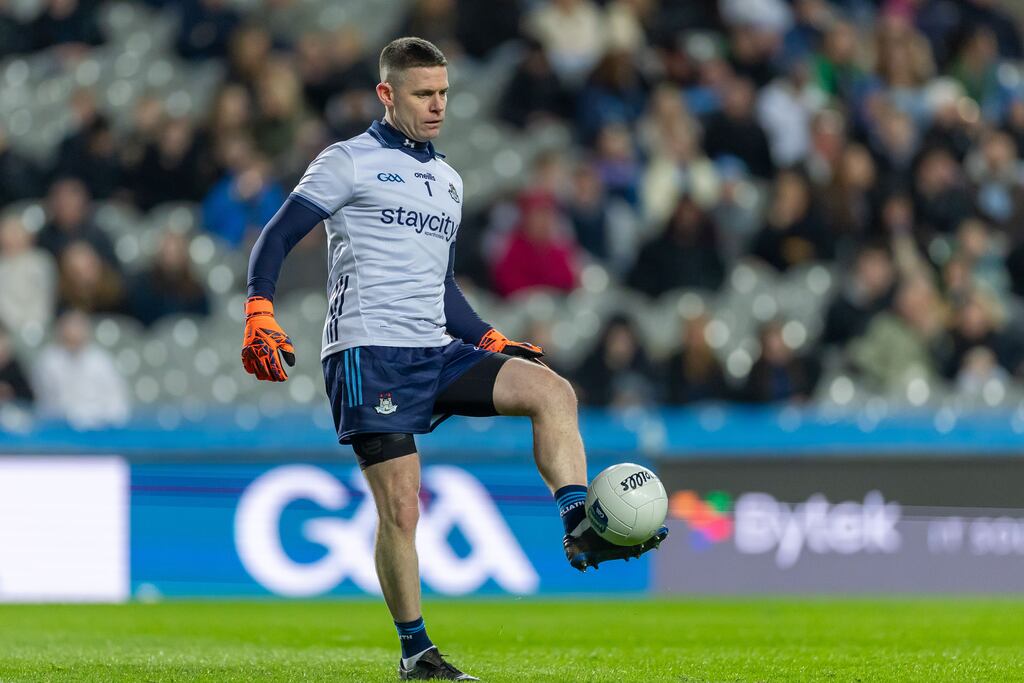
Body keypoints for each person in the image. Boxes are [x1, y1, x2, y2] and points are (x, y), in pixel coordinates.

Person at [239, 37, 668, 681]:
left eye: (443, 93)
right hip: (370, 352)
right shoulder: (347, 161)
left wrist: (487, 338)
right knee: (402, 507)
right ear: (387, 95)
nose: (438, 105)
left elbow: (438, 284)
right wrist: (259, 308)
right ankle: (417, 653)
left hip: (436, 349)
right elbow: (277, 235)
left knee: (552, 392)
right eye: (423, 94)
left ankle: (580, 523)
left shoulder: (448, 181)